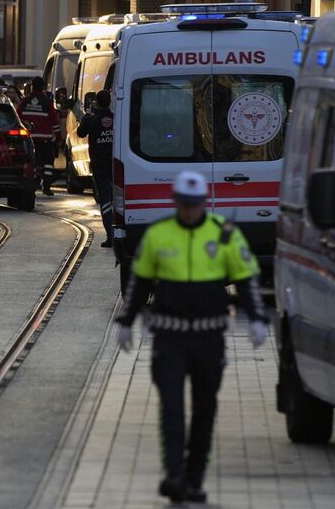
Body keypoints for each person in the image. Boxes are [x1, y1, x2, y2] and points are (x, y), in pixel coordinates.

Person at [113, 170, 268, 504]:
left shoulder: (224, 233)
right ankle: (174, 475)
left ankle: (194, 478)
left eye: (195, 205)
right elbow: (139, 282)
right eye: (184, 204)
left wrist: (257, 318)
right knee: (171, 407)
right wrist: (126, 320)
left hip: (209, 338)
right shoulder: (158, 235)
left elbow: (246, 277)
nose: (190, 211)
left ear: (204, 203)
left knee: (204, 409)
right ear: (176, 202)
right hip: (169, 337)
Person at [77, 90, 120, 251]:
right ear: (109, 101)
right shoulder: (116, 117)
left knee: (106, 202)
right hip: (116, 164)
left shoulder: (91, 119)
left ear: (97, 102)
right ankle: (120, 233)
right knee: (118, 199)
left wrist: (86, 116)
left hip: (100, 166)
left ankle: (110, 235)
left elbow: (80, 133)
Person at [19, 78, 58, 196]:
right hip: (45, 139)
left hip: (29, 138)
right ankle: (46, 186)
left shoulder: (25, 101)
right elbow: (54, 121)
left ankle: (33, 184)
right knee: (48, 163)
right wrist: (59, 138)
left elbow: (17, 116)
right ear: (43, 87)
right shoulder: (46, 102)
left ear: (32, 87)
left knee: (34, 162)